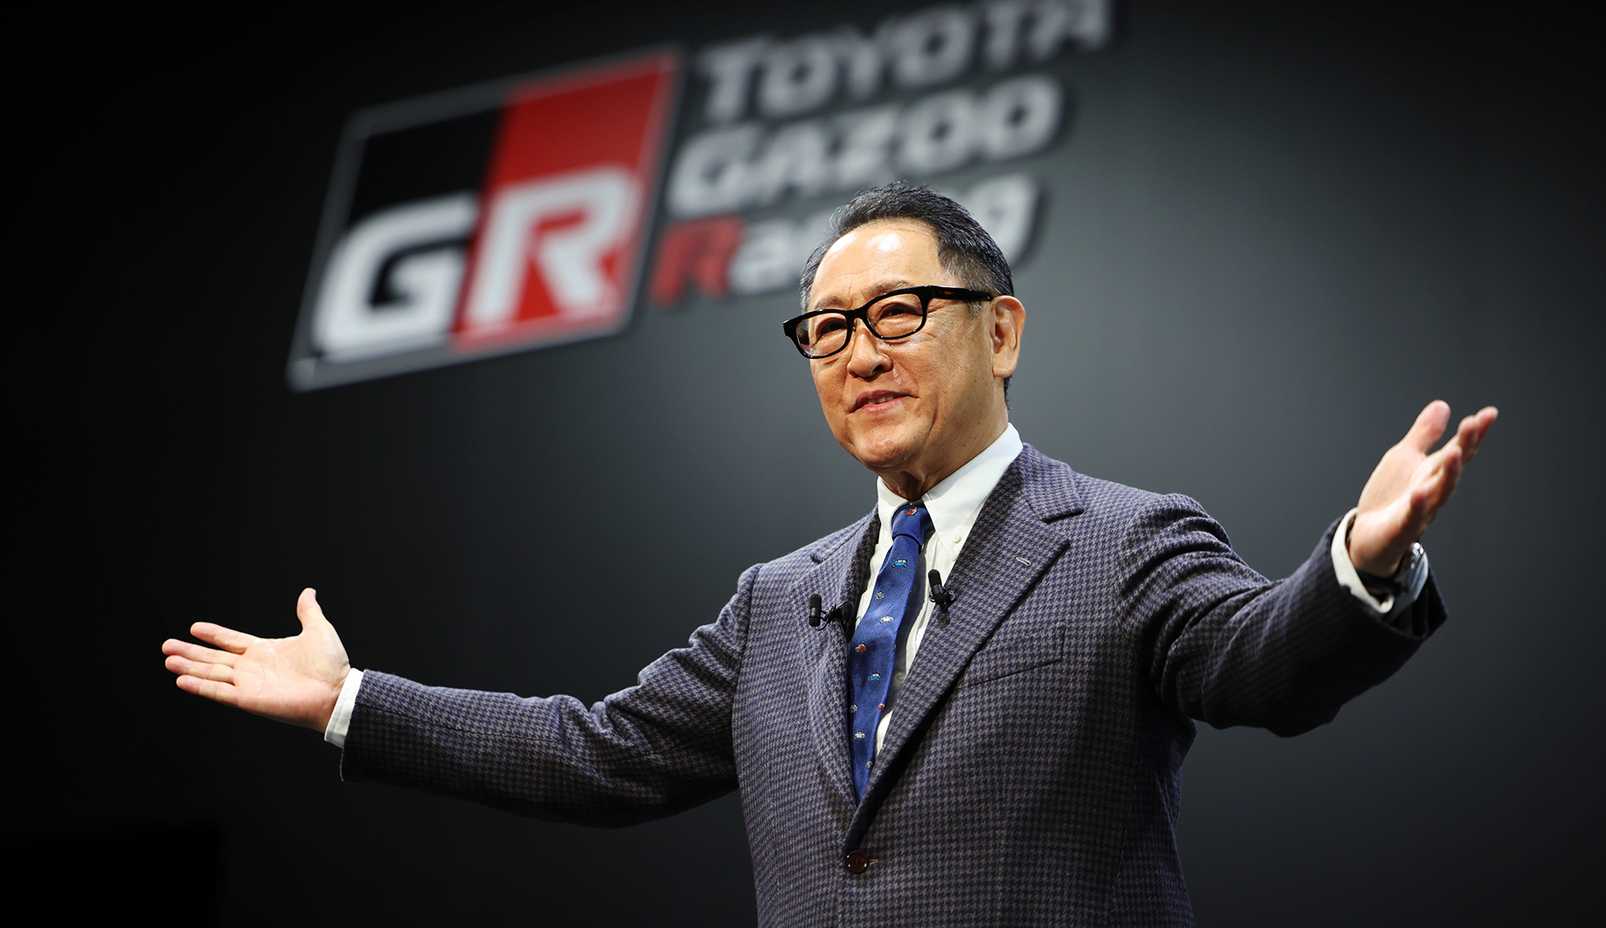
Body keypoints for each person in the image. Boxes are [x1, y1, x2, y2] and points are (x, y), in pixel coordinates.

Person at [162, 182, 1497, 925]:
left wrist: (1356, 567)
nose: (859, 352)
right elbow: (594, 752)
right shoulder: (778, 601)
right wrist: (348, 701)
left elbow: (1259, 664)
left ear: (1001, 331)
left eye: (899, 312)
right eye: (825, 331)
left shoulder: (1122, 541)